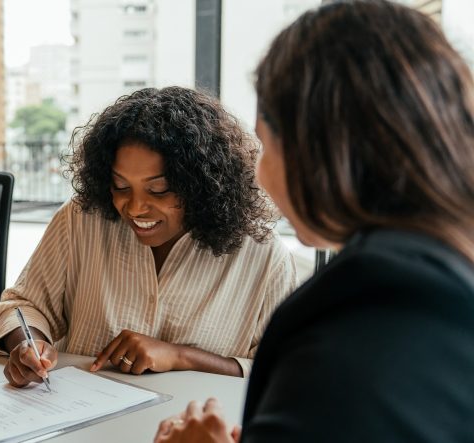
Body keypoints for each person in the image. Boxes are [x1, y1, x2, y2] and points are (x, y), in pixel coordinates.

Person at [154, 1, 474, 442]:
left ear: (314, 151)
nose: (261, 178)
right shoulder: (444, 273)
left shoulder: (357, 313)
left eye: (265, 147)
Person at [0, 86, 298, 387]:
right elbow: (24, 304)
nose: (135, 207)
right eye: (121, 186)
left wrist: (182, 357)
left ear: (203, 186)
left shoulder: (263, 255)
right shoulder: (80, 220)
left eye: (158, 190)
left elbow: (286, 370)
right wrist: (28, 344)